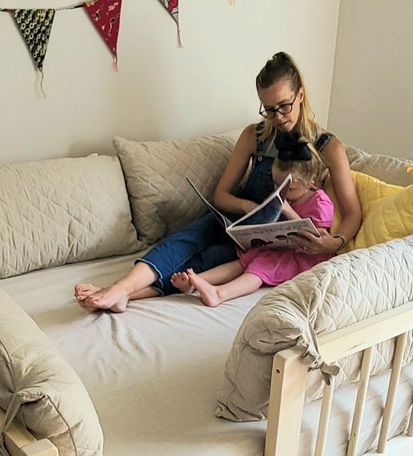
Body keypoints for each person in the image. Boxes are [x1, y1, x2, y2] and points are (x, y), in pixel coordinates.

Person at [74, 51, 362, 312]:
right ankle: (120, 287)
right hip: (233, 221)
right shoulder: (255, 136)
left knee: (202, 265)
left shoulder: (328, 147)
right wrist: (249, 208)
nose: (277, 117)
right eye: (268, 109)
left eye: (284, 106)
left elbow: (352, 213)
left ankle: (127, 296)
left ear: (300, 95)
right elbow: (221, 194)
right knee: (185, 240)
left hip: (265, 244)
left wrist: (333, 242)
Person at [170, 133, 336, 306]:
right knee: (246, 258)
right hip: (281, 249)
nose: (282, 191)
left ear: (310, 183)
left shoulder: (320, 202)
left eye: (290, 188)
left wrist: (288, 211)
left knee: (263, 265)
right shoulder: (284, 197)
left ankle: (219, 294)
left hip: (305, 258)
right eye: (277, 185)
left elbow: (316, 238)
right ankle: (194, 282)